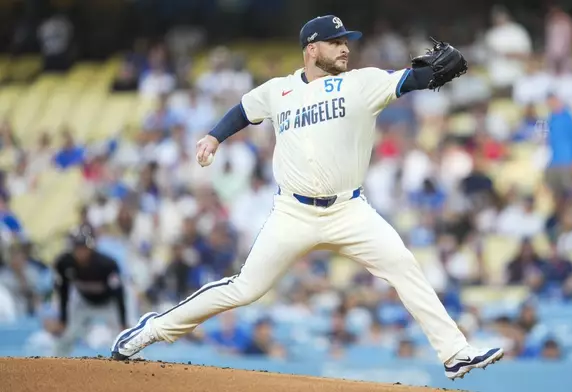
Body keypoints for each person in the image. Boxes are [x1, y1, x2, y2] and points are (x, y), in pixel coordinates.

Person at [111, 15, 503, 380]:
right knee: (245, 289)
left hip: (350, 210)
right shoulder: (278, 90)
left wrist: (433, 73)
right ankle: (154, 329)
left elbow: (410, 79)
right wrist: (214, 137)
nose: (345, 48)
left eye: (346, 41)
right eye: (335, 43)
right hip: (293, 212)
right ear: (312, 50)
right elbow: (243, 111)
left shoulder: (361, 83)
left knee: (403, 266)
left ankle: (455, 353)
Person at [54, 225, 128, 356]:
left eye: (83, 248)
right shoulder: (64, 263)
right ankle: (53, 366)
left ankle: (136, 366)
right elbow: (63, 291)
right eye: (77, 248)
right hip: (84, 302)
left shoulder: (107, 264)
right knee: (68, 335)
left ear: (91, 248)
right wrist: (63, 320)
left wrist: (123, 321)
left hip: (108, 303)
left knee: (125, 338)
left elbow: (119, 293)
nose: (80, 252)